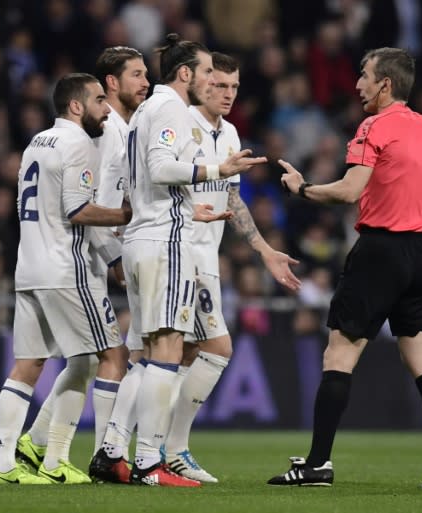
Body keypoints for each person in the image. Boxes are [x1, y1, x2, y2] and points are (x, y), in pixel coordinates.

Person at [266, 47, 422, 488]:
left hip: (379, 252)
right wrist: (411, 192)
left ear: (385, 84)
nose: (357, 84)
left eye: (364, 75)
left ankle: (318, 464)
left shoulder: (374, 125)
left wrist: (303, 188)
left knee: (339, 354)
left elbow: (348, 190)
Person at [96, 34, 265, 487]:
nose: (214, 82)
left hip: (147, 235)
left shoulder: (148, 110)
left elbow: (143, 181)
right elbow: (159, 168)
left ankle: (113, 450)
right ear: (187, 73)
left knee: (149, 352)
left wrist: (192, 207)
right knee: (165, 350)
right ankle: (152, 460)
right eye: (208, 72)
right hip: (165, 243)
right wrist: (217, 171)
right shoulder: (170, 107)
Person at [0, 73, 132, 485]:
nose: (106, 109)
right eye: (100, 100)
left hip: (28, 266)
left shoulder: (36, 142)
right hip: (66, 270)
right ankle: (58, 461)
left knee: (29, 365)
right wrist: (128, 214)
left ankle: (2, 464)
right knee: (111, 356)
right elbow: (78, 211)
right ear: (76, 106)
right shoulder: (78, 144)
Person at [161, 52, 301, 483]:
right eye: (219, 84)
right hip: (180, 252)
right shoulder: (182, 125)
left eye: (234, 87)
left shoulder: (230, 133)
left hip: (206, 258)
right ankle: (171, 449)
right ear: (200, 81)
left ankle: (144, 447)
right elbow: (158, 179)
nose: (227, 94)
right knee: (217, 350)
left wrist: (263, 249)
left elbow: (232, 200)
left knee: (173, 355)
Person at [14, 46, 151, 481]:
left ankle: (35, 443)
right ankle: (102, 457)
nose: (145, 82)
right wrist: (113, 254)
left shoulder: (121, 129)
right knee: (108, 355)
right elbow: (85, 203)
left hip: (81, 254)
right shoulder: (102, 133)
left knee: (87, 361)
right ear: (111, 84)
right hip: (82, 253)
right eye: (136, 74)